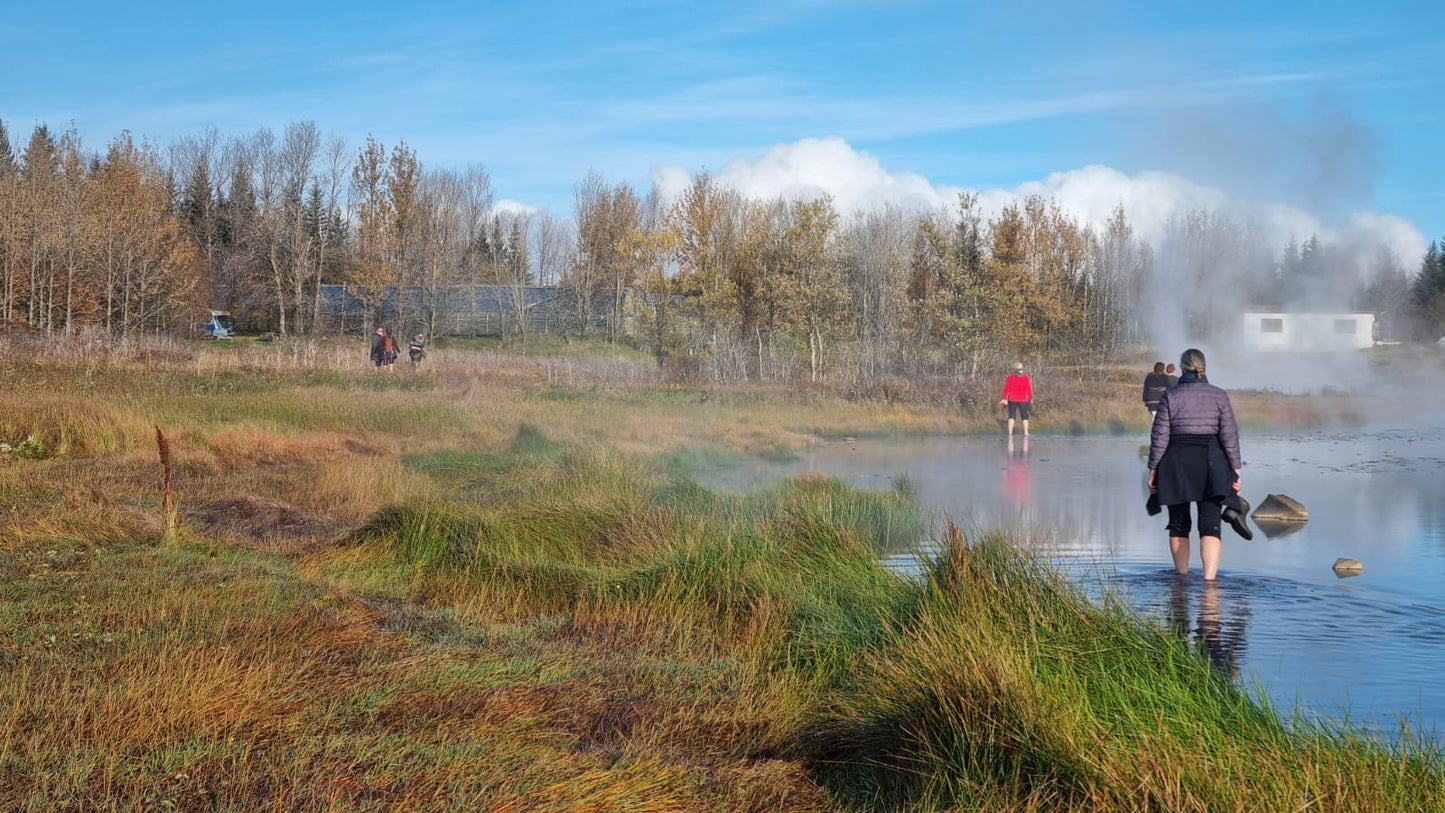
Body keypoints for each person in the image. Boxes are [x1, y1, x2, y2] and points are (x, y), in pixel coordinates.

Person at [1146, 348, 1246, 581]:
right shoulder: (1219, 395)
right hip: (1211, 462)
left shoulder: (1170, 395)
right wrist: (1235, 468)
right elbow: (1229, 434)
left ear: (1182, 368)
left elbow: (1159, 436)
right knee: (1210, 525)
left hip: (1176, 463)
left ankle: (1181, 579)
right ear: (1204, 368)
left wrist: (1153, 470)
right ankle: (1210, 583)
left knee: (1178, 524)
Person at [999, 361, 1033, 437]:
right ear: (1022, 368)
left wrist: (1004, 398)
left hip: (1012, 399)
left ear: (1014, 368)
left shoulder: (1011, 376)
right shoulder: (1025, 377)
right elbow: (1029, 389)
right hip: (1023, 399)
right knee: (1025, 416)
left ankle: (1010, 433)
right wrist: (1031, 398)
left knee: (1011, 416)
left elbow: (1006, 388)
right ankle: (1026, 432)